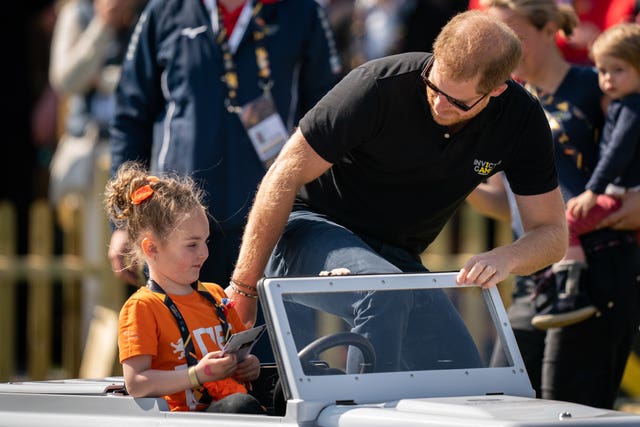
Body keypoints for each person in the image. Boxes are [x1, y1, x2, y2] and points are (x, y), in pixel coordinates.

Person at [227, 10, 568, 373]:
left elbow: (551, 234)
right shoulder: (377, 85)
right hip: (310, 228)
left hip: (398, 259)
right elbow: (283, 174)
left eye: (458, 101)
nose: (440, 104)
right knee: (382, 291)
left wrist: (507, 257)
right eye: (435, 87)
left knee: (463, 376)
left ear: (498, 89)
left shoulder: (522, 119)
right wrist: (244, 287)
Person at [471, 0, 640, 409]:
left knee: (567, 410)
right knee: (501, 403)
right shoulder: (502, 102)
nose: (503, 52)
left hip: (597, 272)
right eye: (495, 41)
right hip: (533, 273)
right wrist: (454, 178)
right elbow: (505, 204)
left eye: (516, 38)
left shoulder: (598, 85)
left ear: (551, 32)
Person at [108, 0, 341, 290]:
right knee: (180, 335)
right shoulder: (164, 10)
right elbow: (129, 118)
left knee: (263, 334)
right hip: (174, 227)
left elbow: (329, 119)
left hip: (272, 225)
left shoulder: (302, 11)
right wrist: (122, 224)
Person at [104, 160, 264, 413]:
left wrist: (248, 365)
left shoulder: (214, 295)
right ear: (152, 248)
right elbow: (135, 382)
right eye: (192, 245)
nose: (204, 253)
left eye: (205, 241)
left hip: (229, 406)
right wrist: (196, 375)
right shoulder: (142, 307)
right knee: (241, 406)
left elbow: (237, 358)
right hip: (186, 418)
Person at [533, 22, 640, 329]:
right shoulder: (622, 104)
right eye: (602, 71)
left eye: (618, 70)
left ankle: (570, 292)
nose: (607, 79)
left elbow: (616, 154)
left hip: (623, 193)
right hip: (619, 193)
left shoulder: (632, 108)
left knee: (566, 223)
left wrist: (593, 190)